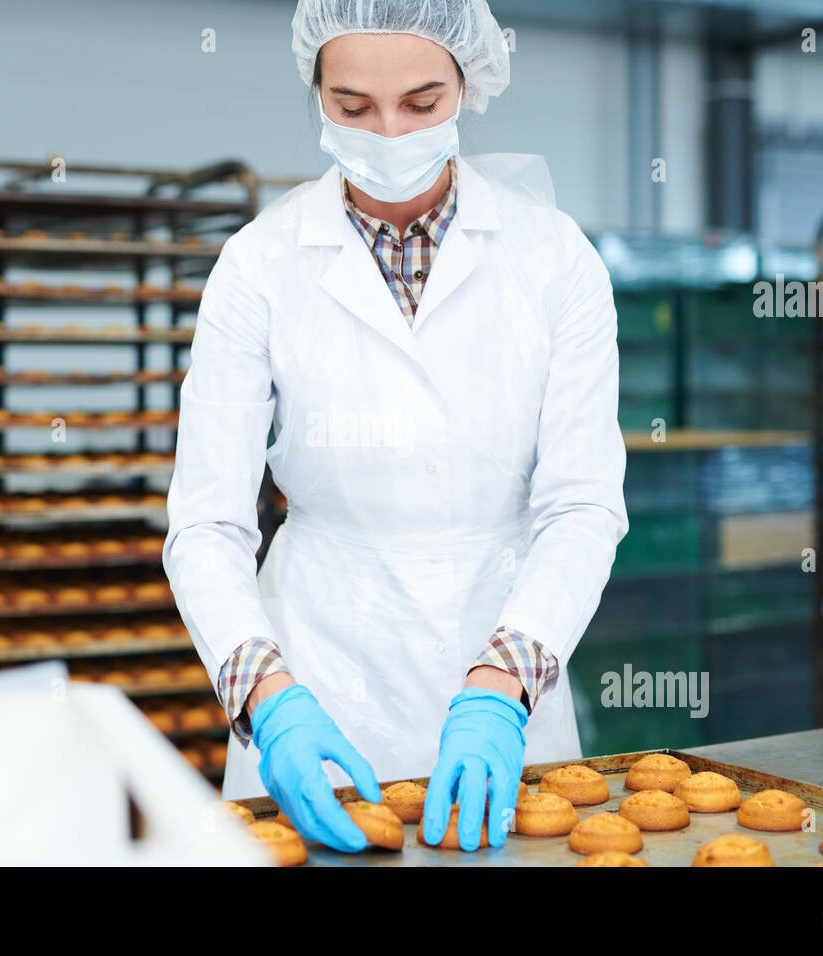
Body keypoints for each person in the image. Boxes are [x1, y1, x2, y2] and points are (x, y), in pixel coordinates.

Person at [162, 0, 628, 853]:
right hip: (317, 660)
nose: (387, 131)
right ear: (315, 90)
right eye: (351, 107)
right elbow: (206, 523)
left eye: (421, 104)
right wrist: (266, 696)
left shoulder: (555, 259)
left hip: (508, 660)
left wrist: (501, 685)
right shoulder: (258, 264)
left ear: (469, 85)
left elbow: (583, 507)